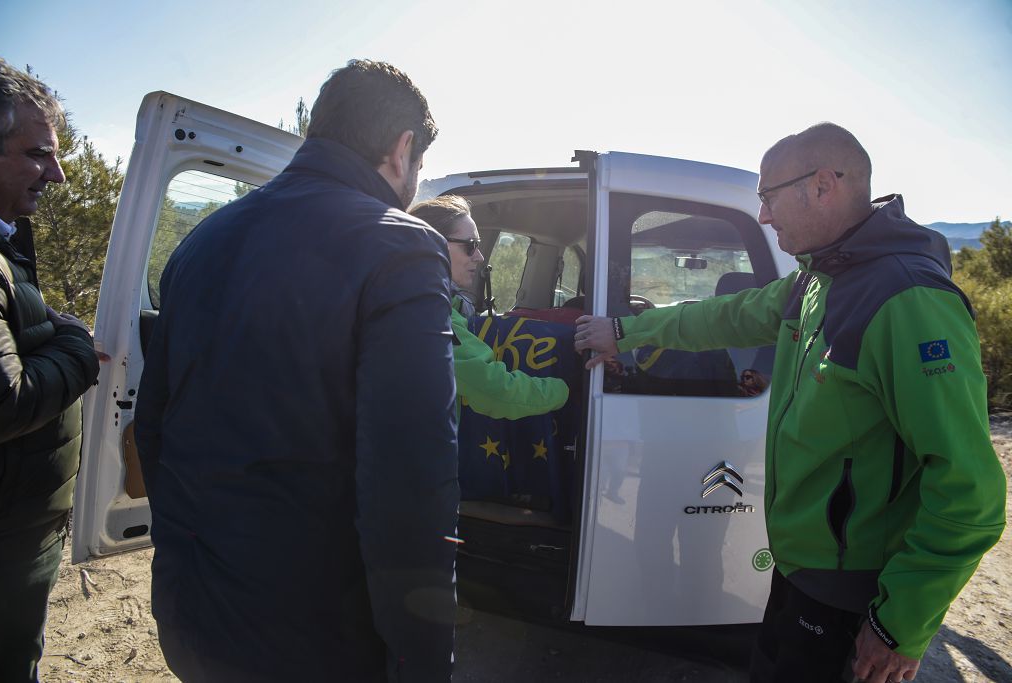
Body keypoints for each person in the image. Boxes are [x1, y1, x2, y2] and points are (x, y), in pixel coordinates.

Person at [574, 123, 1005, 683]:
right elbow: (723, 315)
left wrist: (902, 621)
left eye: (769, 197)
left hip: (852, 589)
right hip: (803, 570)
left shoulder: (906, 299)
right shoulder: (820, 279)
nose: (764, 216)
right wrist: (625, 331)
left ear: (823, 185)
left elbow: (971, 492)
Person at [134, 60, 459, 682]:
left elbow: (155, 427)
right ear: (403, 148)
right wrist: (423, 658)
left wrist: (182, 573)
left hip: (196, 614)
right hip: (317, 637)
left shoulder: (200, 241)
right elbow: (412, 484)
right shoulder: (403, 247)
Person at [0, 55, 101, 682]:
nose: (55, 174)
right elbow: (1, 401)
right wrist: (78, 350)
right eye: (37, 154)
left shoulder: (2, 243)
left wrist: (48, 324)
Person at [409, 195, 569, 419]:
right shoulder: (428, 315)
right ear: (432, 243)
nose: (480, 256)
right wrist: (566, 391)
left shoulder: (412, 299)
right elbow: (493, 388)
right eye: (471, 246)